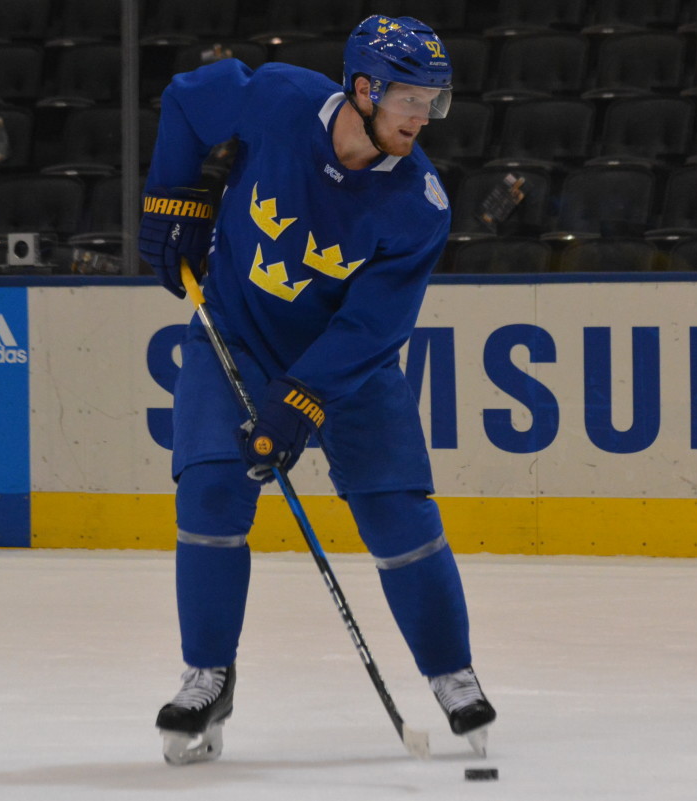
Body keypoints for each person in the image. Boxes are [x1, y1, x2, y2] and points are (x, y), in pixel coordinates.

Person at [138, 14, 496, 765]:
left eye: (433, 102)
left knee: (397, 508)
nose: (422, 118)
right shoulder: (277, 98)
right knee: (207, 490)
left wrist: (299, 400)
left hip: (347, 366)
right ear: (362, 89)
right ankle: (208, 673)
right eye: (409, 100)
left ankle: (452, 671)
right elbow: (183, 97)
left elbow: (372, 328)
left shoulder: (420, 206)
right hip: (235, 330)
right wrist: (176, 200)